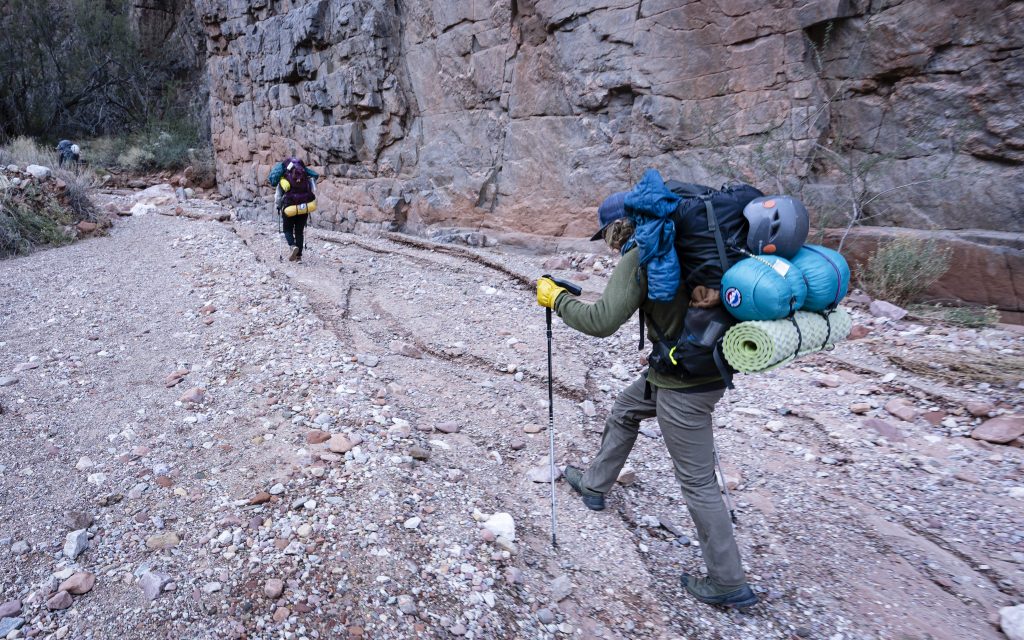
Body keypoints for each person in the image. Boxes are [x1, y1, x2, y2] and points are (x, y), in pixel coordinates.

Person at [535, 191, 759, 610]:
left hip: (685, 384)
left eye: (607, 234)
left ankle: (728, 581)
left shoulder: (643, 253)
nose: (609, 242)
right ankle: (595, 483)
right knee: (625, 410)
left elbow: (600, 321)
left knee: (696, 481)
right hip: (684, 367)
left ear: (620, 226)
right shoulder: (679, 244)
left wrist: (557, 299)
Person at [271, 157, 318, 262]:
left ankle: (292, 246)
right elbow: (313, 189)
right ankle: (299, 256)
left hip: (289, 208)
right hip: (304, 207)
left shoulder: (284, 178)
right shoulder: (305, 176)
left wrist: (278, 206)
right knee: (299, 231)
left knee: (287, 229)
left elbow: (278, 196)